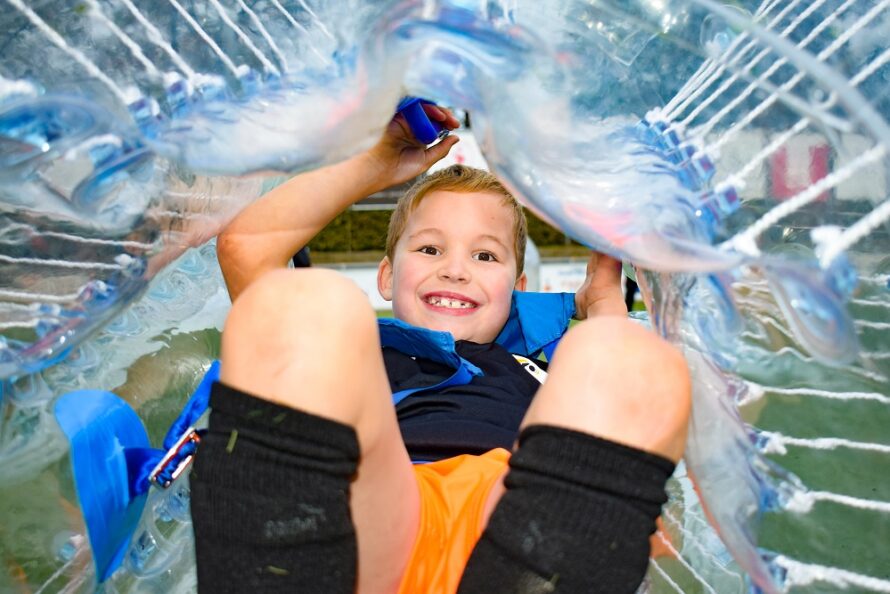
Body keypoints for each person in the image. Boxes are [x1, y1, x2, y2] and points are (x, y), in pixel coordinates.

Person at [190, 105, 691, 593]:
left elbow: (618, 374)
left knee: (630, 360)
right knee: (315, 307)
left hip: (514, 523)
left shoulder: (540, 372)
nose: (455, 269)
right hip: (385, 517)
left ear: (516, 286)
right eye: (429, 249)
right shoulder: (365, 358)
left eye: (484, 255)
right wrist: (376, 163)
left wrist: (603, 298)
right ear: (387, 276)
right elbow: (246, 250)